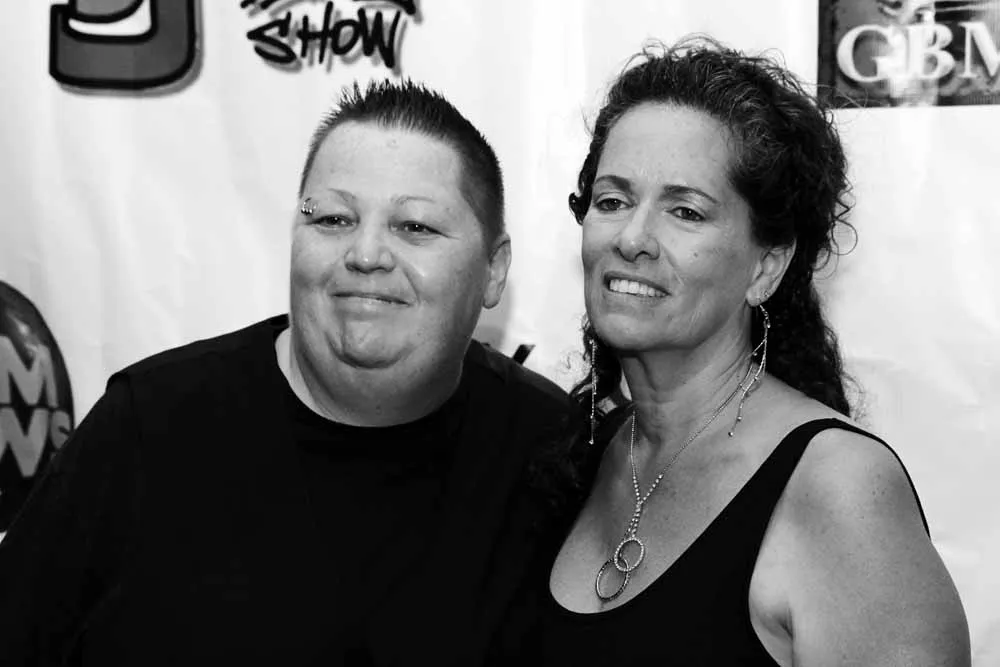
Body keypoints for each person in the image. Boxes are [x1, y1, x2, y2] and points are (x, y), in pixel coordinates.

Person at [0, 80, 574, 666]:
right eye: (332, 218)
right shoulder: (149, 425)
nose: (366, 254)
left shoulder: (553, 453)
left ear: (494, 269)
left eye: (416, 227)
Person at [533, 39, 970, 665]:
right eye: (612, 201)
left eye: (686, 211)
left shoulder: (839, 488)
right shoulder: (590, 453)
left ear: (766, 267)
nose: (632, 237)